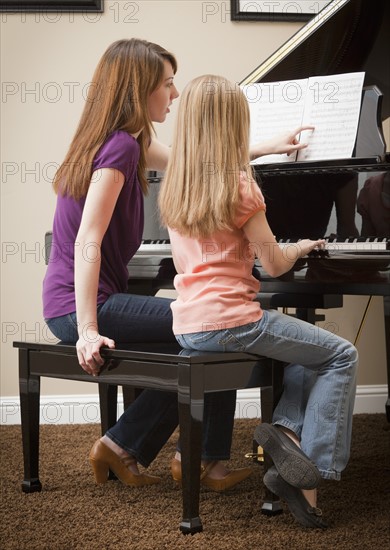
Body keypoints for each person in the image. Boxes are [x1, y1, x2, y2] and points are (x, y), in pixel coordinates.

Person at [42, 39, 319, 492]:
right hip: (80, 307)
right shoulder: (119, 151)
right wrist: (88, 329)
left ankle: (125, 446)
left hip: (76, 302)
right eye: (167, 84)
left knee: (198, 336)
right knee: (213, 318)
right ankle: (204, 461)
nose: (175, 95)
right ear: (138, 90)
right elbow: (86, 240)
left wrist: (269, 146)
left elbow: (200, 163)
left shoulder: (127, 141)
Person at [158, 74, 358, 528]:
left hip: (189, 325)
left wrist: (266, 148)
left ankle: (286, 436)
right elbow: (277, 265)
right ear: (233, 123)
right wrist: (302, 246)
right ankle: (313, 473)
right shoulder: (240, 185)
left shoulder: (179, 181)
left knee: (308, 353)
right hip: (234, 322)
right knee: (341, 354)